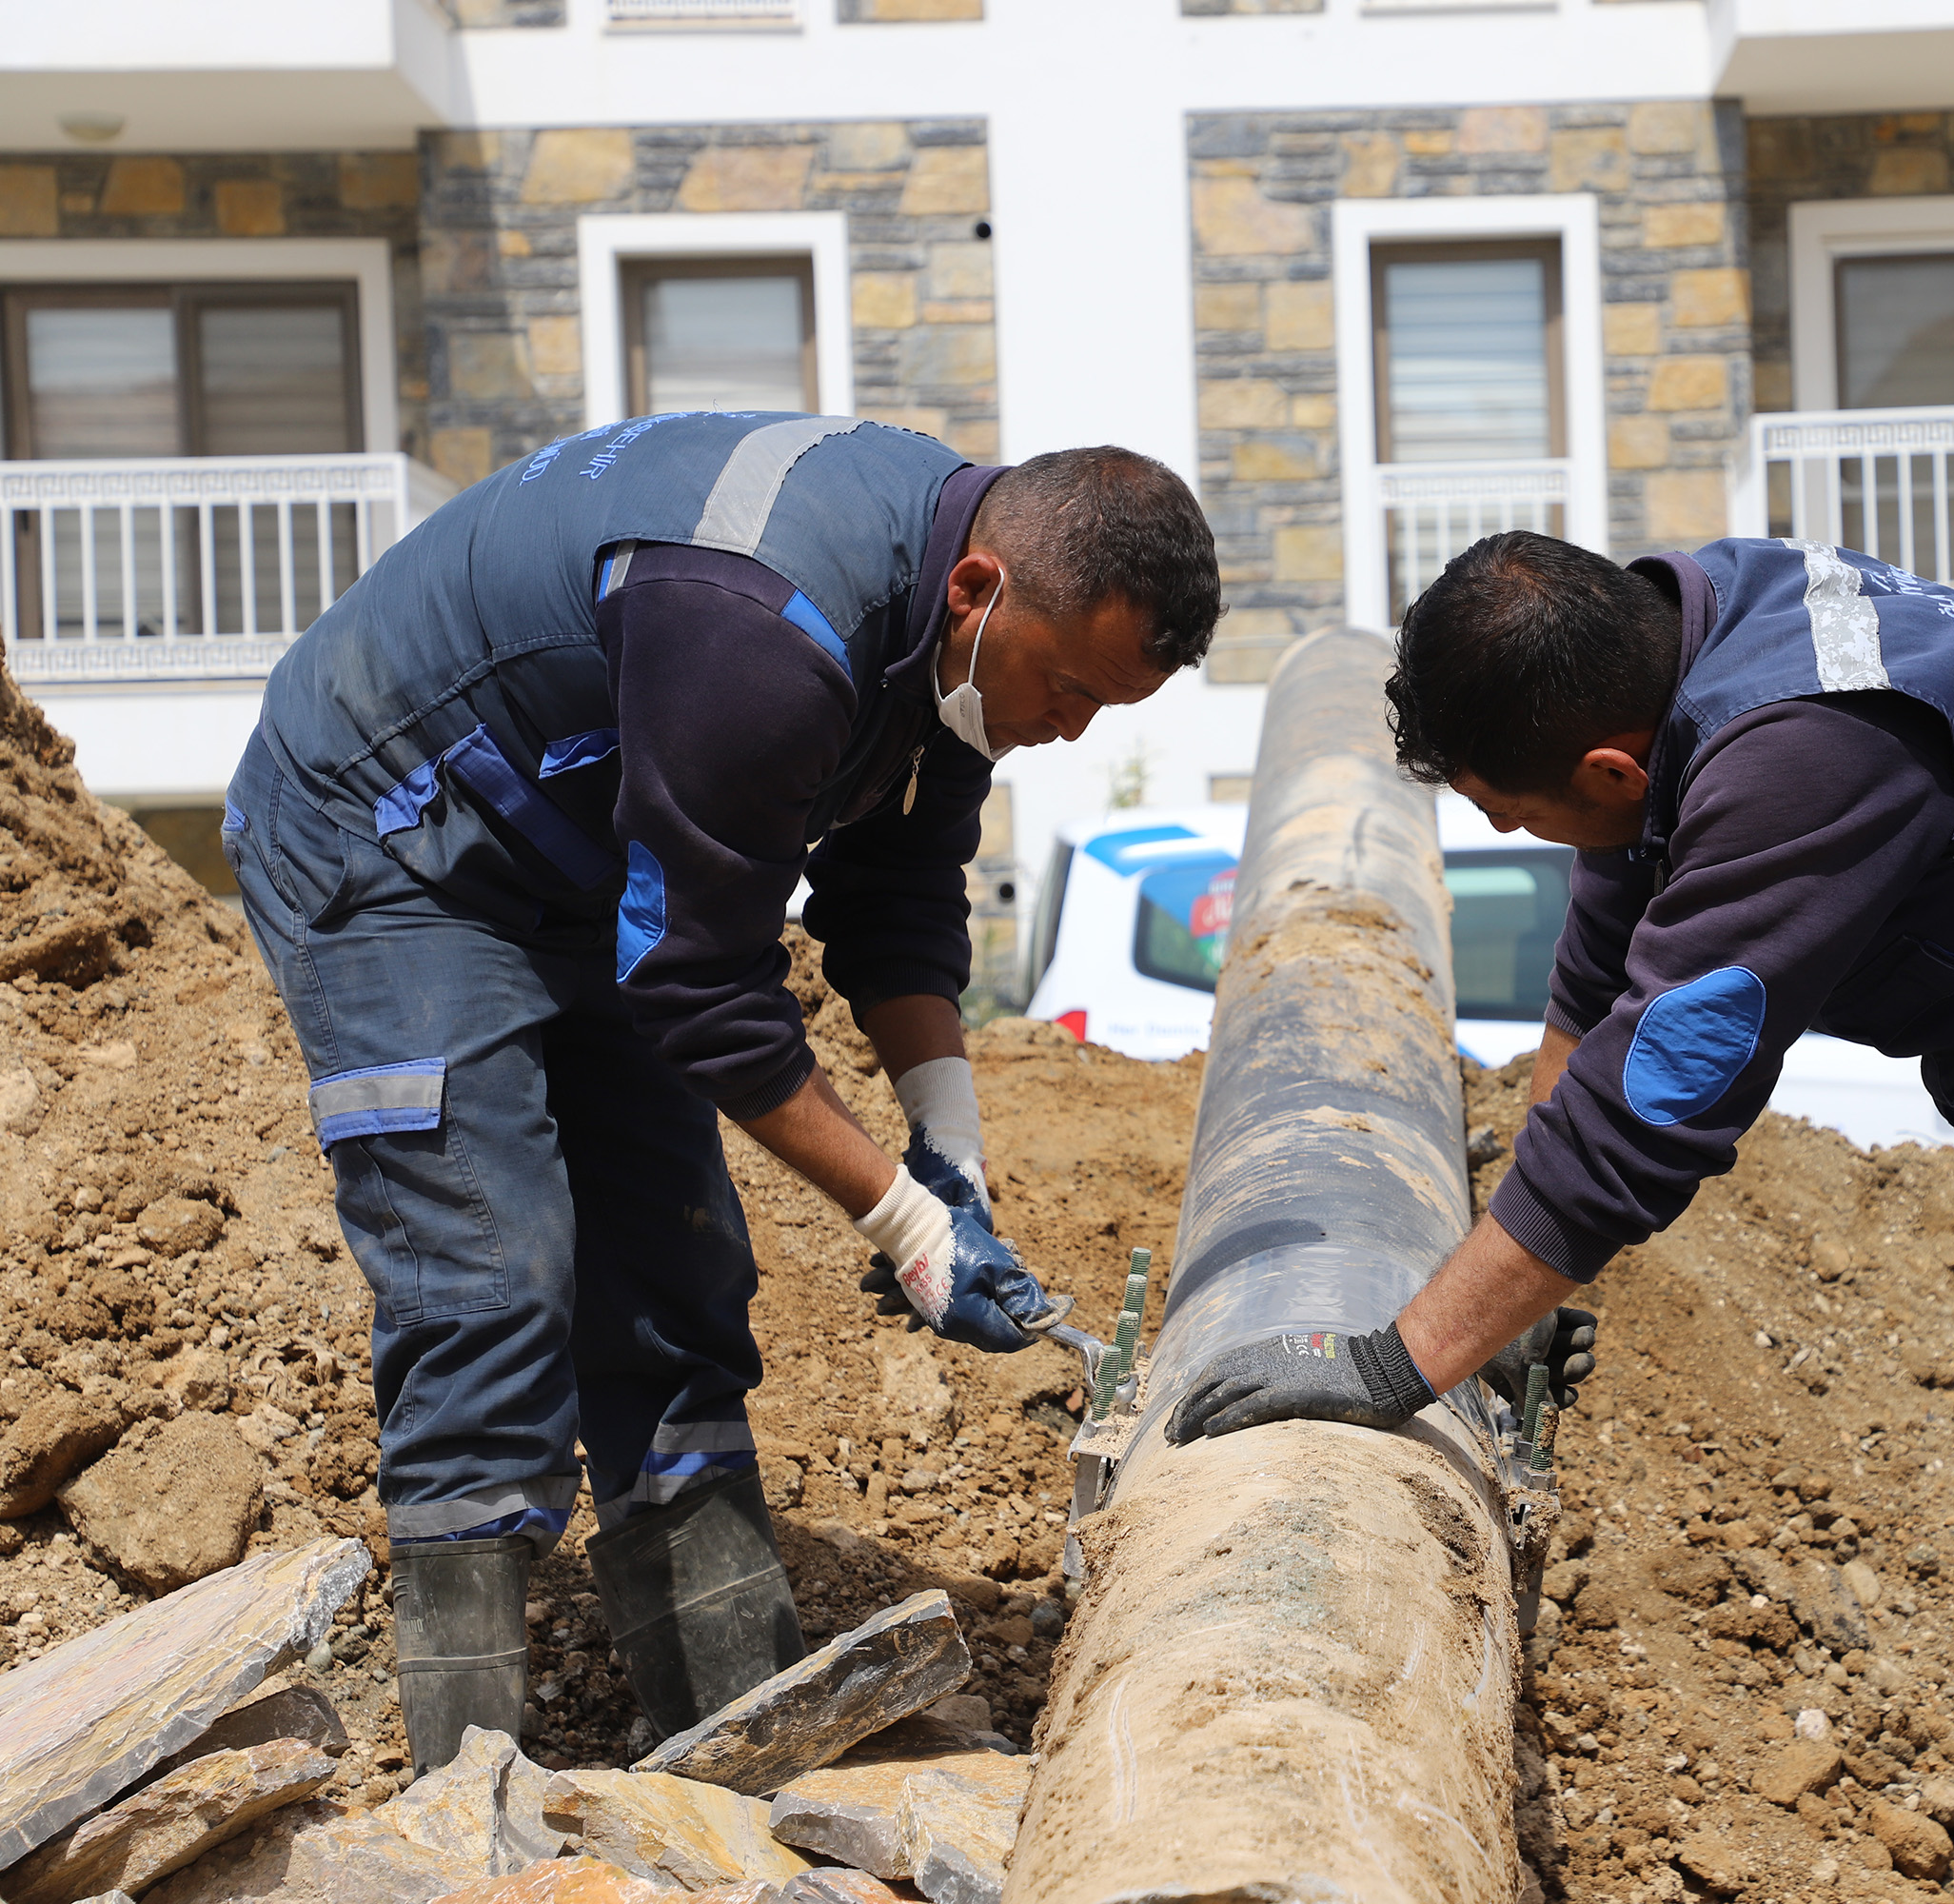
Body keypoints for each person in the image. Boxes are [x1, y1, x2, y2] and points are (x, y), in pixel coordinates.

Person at [1167, 530, 1954, 1904]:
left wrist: (1397, 1359)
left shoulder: (1804, 756)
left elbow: (1651, 1110)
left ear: (1608, 765)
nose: (1521, 843)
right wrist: (1502, 1308)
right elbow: (1604, 978)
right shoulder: (1686, 638)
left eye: (1519, 817)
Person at [226, 417, 1218, 1773]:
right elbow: (700, 988)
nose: (1069, 728)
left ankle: (734, 1745)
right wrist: (904, 1228)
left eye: (1105, 707)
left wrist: (950, 1150)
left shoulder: (961, 643)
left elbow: (900, 895)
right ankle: (467, 1800)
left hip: (582, 867)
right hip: (393, 842)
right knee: (491, 1279)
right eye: (1068, 689)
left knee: (673, 1272)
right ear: (982, 590)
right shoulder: (758, 620)